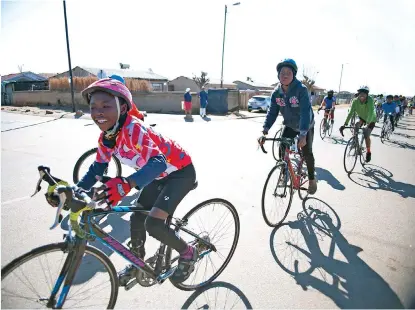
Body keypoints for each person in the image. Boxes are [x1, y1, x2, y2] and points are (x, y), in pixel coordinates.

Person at [76, 77, 198, 284]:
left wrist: (127, 184)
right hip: (156, 175)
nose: (98, 112)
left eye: (106, 106)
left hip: (179, 172)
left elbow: (158, 163)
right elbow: (97, 168)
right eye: (93, 107)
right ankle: (137, 262)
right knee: (136, 216)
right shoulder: (107, 136)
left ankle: (188, 253)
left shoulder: (133, 129)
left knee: (154, 224)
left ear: (123, 108)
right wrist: (76, 190)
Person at [259, 58, 317, 194]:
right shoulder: (276, 93)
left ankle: (312, 179)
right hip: (290, 125)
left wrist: (303, 134)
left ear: (294, 74)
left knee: (307, 152)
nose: (284, 75)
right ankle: (284, 173)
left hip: (306, 125)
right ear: (278, 75)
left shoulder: (301, 90)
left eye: (288, 72)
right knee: (282, 146)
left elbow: (304, 113)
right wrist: (265, 130)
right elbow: (272, 112)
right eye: (282, 72)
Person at [340, 86, 376, 162]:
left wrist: (368, 124)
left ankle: (368, 152)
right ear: (358, 94)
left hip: (371, 119)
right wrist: (345, 124)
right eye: (361, 93)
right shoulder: (355, 101)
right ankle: (355, 142)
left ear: (367, 94)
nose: (362, 95)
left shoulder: (370, 100)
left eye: (364, 93)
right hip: (362, 117)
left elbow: (371, 112)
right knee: (356, 124)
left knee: (366, 135)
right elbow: (350, 113)